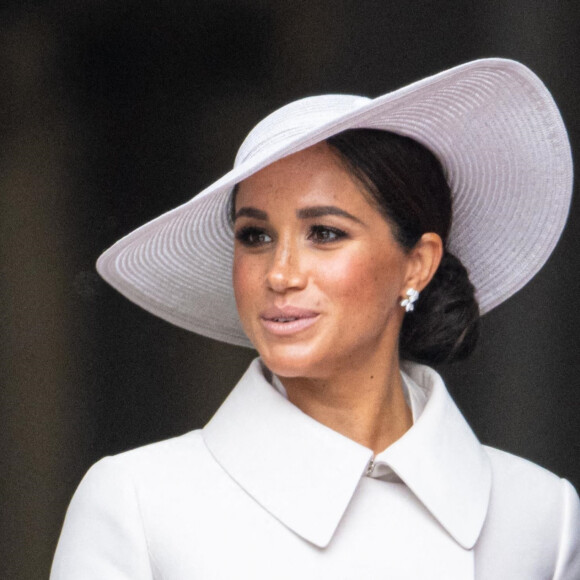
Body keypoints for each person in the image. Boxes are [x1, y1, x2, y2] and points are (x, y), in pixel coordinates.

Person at [51, 58, 580, 579]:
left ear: (417, 264)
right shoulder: (138, 505)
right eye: (254, 236)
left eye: (324, 233)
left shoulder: (539, 518)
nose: (280, 274)